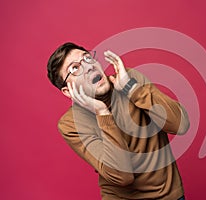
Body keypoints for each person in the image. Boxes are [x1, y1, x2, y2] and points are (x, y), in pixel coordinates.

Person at [47, 42, 190, 200]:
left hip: (168, 195)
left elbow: (181, 124)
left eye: (87, 58)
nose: (88, 67)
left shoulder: (129, 79)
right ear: (68, 91)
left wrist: (131, 88)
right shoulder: (71, 124)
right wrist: (102, 113)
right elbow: (122, 176)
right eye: (75, 68)